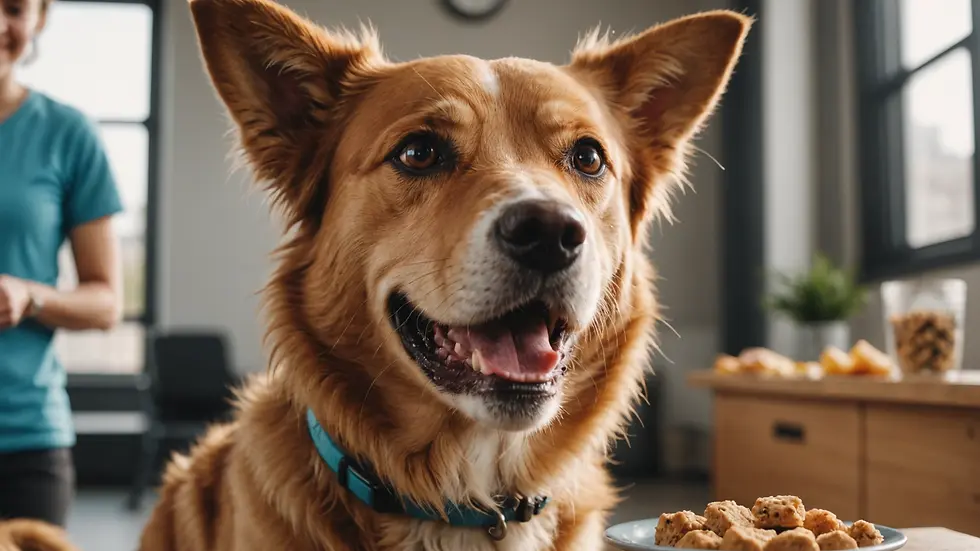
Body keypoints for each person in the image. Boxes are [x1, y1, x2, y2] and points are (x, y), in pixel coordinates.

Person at [0, 0, 124, 527]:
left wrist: (29, 296)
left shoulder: (68, 134)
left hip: (24, 443)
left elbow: (106, 303)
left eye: (14, 8)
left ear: (41, 18)